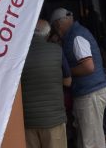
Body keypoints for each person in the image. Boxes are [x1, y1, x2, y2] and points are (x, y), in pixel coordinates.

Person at [51, 7, 106, 148]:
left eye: (55, 27)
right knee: (87, 139)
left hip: (90, 94)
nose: (56, 31)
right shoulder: (76, 34)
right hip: (90, 93)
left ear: (58, 24)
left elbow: (88, 67)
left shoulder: (76, 36)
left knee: (91, 141)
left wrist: (66, 72)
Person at [21, 19, 70, 148]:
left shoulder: (19, 54)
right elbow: (68, 81)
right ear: (48, 34)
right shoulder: (57, 50)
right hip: (54, 119)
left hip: (28, 121)